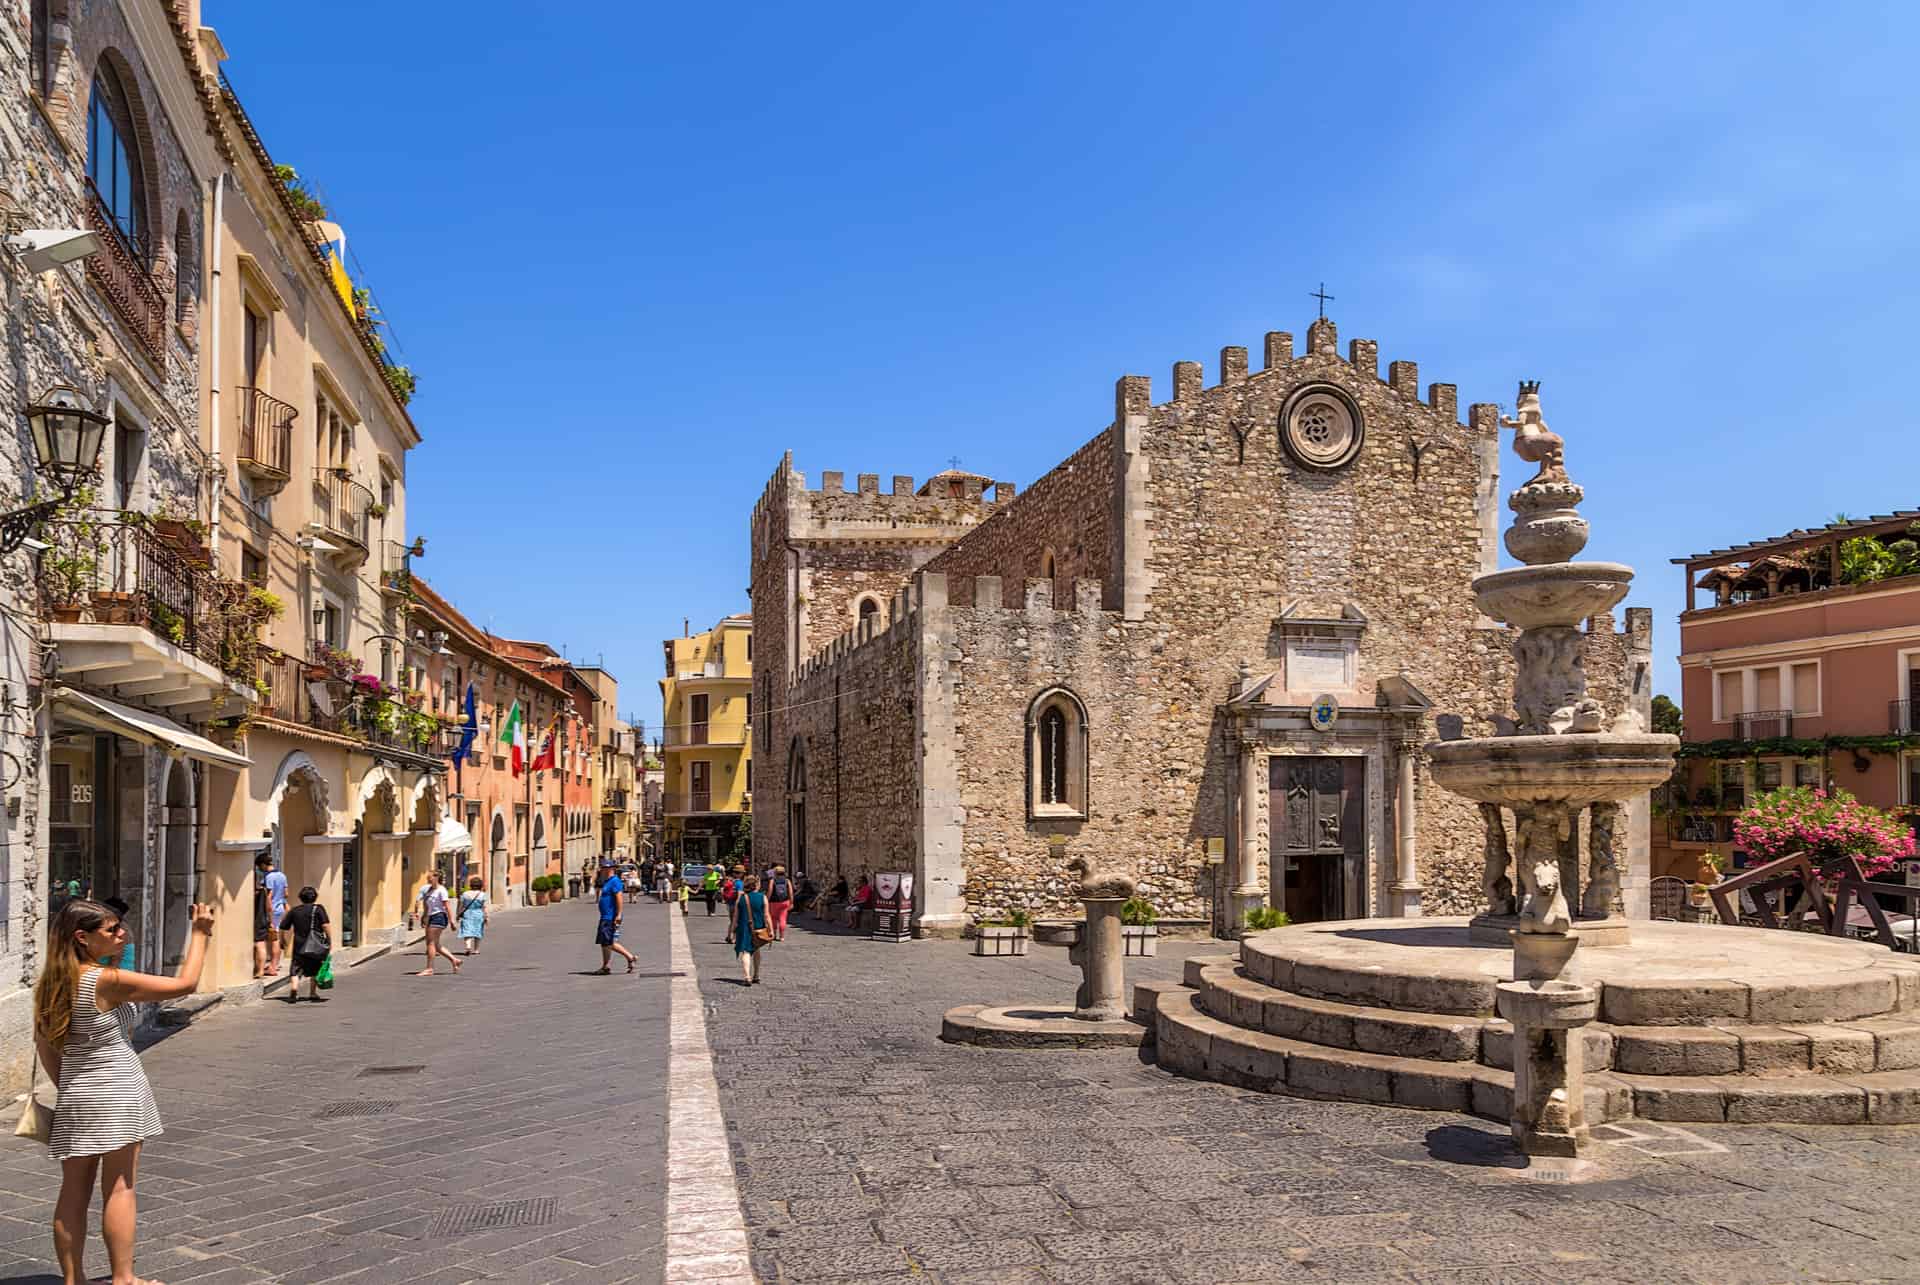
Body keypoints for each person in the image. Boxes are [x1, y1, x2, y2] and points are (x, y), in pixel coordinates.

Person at [37, 897, 213, 1285]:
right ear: (82, 938)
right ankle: (124, 1278)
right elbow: (185, 985)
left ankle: (73, 1279)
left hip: (76, 1091)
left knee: (73, 1190)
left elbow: (45, 1047)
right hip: (116, 1087)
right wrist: (199, 933)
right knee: (120, 1186)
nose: (122, 934)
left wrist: (69, 1087)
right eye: (112, 930)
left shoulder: (51, 983)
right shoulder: (105, 981)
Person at [278, 886, 331, 1003]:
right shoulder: (318, 909)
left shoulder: (294, 910)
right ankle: (312, 993)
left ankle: (294, 989)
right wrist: (329, 939)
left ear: (300, 898)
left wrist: (281, 940)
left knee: (295, 968)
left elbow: (283, 926)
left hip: (299, 944)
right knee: (315, 967)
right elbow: (325, 925)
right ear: (315, 897)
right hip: (315, 943)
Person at [414, 870, 462, 977]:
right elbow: (427, 905)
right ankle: (454, 960)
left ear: (436, 878)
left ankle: (429, 969)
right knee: (436, 944)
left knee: (430, 943)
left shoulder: (442, 890)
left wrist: (452, 921)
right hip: (431, 917)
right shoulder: (429, 890)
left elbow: (447, 906)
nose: (428, 879)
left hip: (439, 917)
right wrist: (424, 916)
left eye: (430, 877)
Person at [595, 866, 637, 975]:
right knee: (604, 942)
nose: (601, 870)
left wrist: (618, 914)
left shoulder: (615, 881)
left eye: (604, 868)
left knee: (609, 942)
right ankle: (606, 966)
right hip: (605, 916)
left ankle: (630, 957)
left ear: (610, 869)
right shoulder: (608, 881)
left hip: (610, 917)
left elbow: (619, 897)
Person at [732, 874, 770, 985]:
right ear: (756, 885)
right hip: (758, 927)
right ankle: (756, 975)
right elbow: (767, 915)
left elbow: (735, 916)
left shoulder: (741, 899)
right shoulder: (762, 897)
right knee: (756, 949)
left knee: (746, 951)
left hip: (744, 927)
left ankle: (747, 976)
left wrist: (732, 930)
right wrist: (771, 929)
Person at [251, 853, 283, 978]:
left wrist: (269, 916)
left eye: (259, 867)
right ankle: (274, 965)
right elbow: (286, 893)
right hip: (279, 907)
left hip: (270, 911)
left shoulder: (268, 877)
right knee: (275, 937)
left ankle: (267, 968)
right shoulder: (281, 875)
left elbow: (268, 897)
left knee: (263, 941)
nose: (259, 870)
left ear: (263, 865)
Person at [98, 898, 135, 971]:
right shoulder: (118, 925)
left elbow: (116, 957)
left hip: (116, 971)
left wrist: (110, 974)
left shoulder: (119, 927)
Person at [457, 877, 488, 955]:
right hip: (478, 913)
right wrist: (486, 916)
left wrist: (458, 914)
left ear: (471, 885)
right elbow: (484, 907)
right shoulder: (482, 895)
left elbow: (461, 905)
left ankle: (468, 946)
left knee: (467, 930)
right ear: (480, 885)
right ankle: (476, 949)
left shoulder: (465, 894)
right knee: (478, 930)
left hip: (467, 913)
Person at [766, 865, 795, 942]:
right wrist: (791, 902)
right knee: (783, 918)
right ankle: (782, 936)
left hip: (774, 902)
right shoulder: (787, 881)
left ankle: (774, 935)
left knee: (773, 918)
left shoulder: (773, 881)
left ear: (775, 872)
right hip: (785, 902)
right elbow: (791, 893)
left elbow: (770, 891)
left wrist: (766, 900)